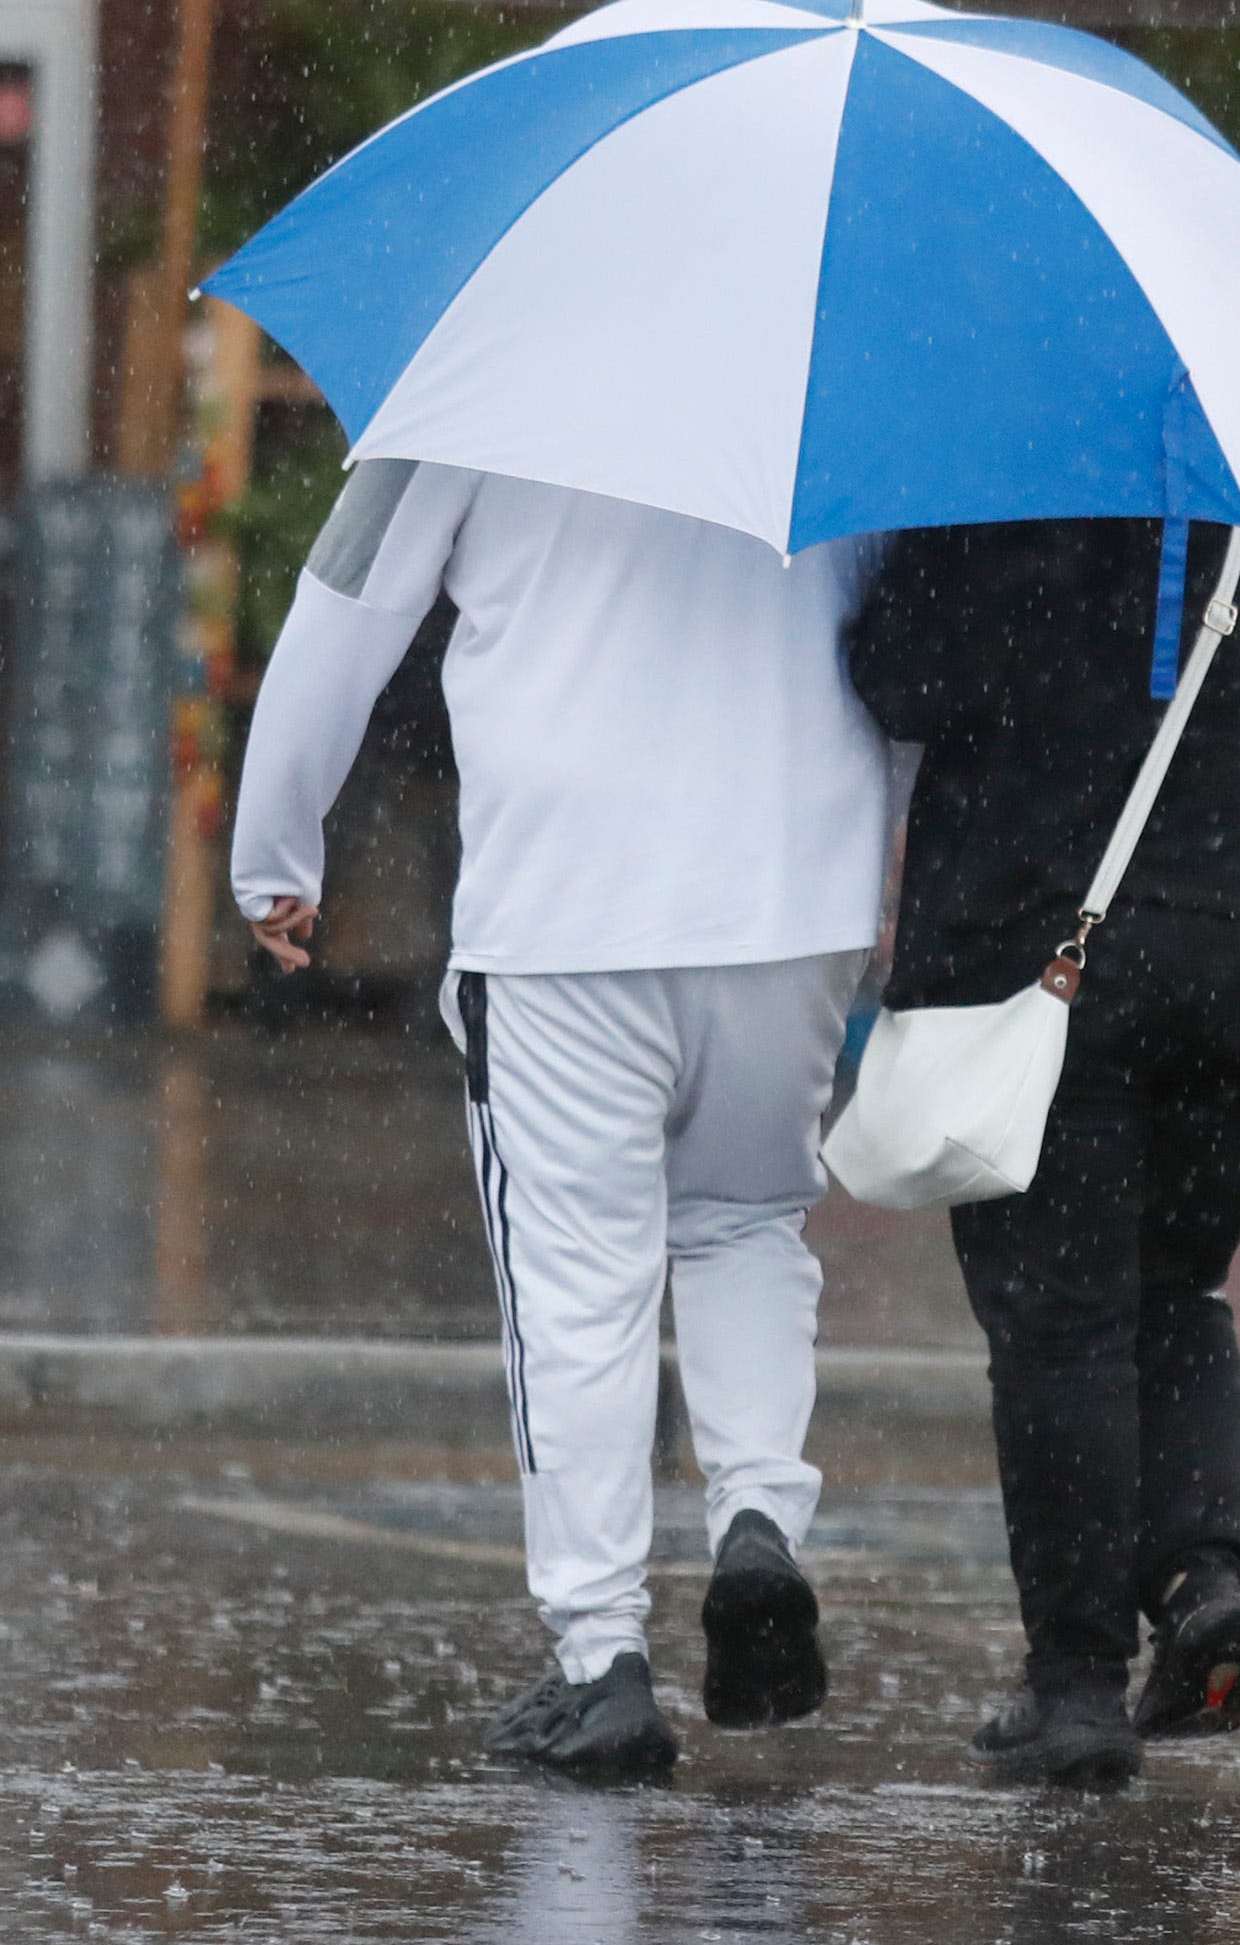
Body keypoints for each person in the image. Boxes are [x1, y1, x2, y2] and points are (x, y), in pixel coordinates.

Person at [232, 460, 903, 1782]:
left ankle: (603, 1660)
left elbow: (346, 607)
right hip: (791, 897)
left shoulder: (483, 368)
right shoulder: (845, 366)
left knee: (579, 1286)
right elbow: (906, 640)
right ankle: (758, 1510)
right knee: (749, 1224)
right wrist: (893, 844)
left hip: (565, 906)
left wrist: (274, 849)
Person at [845, 499, 1240, 1788]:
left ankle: (1075, 1686)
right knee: (1174, 1287)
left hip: (1061, 954)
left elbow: (898, 673)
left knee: (1062, 1322)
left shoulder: (1009, 487)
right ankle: (1200, 1583)